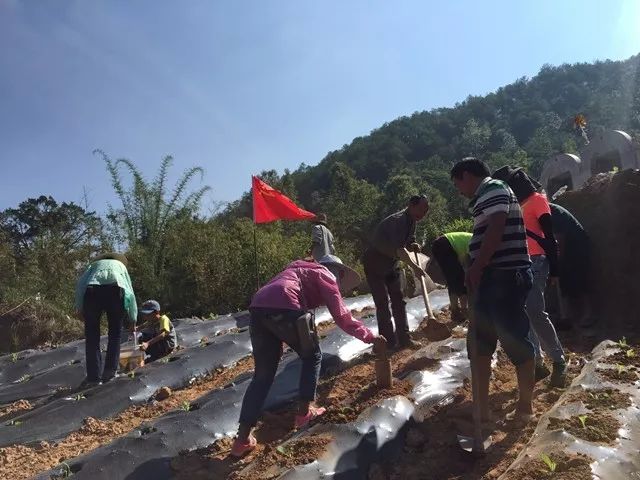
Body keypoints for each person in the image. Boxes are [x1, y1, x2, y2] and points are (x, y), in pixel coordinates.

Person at [230, 257, 386, 457]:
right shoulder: (325, 274)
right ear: (336, 271)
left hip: (258, 308)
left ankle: (241, 441)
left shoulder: (295, 269)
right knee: (312, 356)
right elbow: (342, 316)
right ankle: (304, 414)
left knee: (263, 375)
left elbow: (275, 308)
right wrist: (370, 336)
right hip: (286, 303)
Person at [450, 158, 535, 423]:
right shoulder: (486, 196)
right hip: (490, 279)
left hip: (504, 277)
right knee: (479, 343)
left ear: (466, 175)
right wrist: (475, 268)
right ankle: (482, 409)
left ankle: (525, 407)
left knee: (514, 341)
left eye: (457, 184)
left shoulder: (494, 188)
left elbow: (497, 226)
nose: (459, 190)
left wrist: (478, 266)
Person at [493, 166, 567, 388]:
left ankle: (559, 361)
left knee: (535, 312)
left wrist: (555, 269)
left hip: (537, 262)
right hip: (519, 263)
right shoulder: (514, 205)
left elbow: (549, 236)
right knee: (525, 315)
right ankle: (538, 363)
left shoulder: (537, 200)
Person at [362, 195, 429, 350]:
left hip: (391, 264)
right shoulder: (397, 220)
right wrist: (415, 267)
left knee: (399, 301)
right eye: (421, 209)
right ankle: (388, 343)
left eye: (426, 211)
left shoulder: (412, 220)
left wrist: (413, 244)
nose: (423, 214)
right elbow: (400, 249)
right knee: (382, 304)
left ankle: (404, 339)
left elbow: (408, 240)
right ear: (411, 205)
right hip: (375, 265)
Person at [74, 253, 138, 386]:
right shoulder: (120, 266)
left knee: (92, 337)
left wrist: (79, 308)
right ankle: (109, 372)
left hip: (92, 293)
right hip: (115, 291)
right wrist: (133, 319)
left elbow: (80, 285)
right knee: (115, 334)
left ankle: (93, 378)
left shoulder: (93, 265)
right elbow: (130, 292)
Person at [550, 203, 594, 328]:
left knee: (580, 278)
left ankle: (589, 314)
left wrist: (557, 261)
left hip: (578, 246)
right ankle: (566, 316)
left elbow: (560, 241)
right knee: (563, 280)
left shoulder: (554, 213)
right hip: (567, 248)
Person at [431, 232, 472, 323]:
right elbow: (469, 264)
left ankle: (456, 310)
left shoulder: (475, 239)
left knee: (453, 280)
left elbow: (466, 263)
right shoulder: (478, 242)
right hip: (446, 245)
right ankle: (462, 310)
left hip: (440, 244)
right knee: (460, 279)